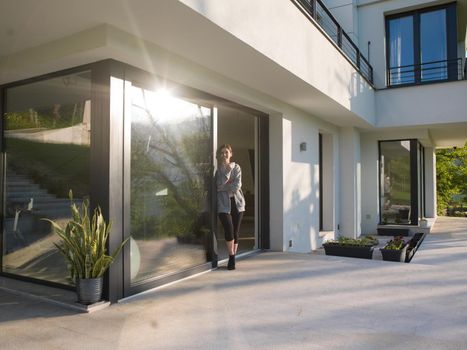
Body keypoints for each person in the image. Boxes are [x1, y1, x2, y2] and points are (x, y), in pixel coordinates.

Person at [216, 144, 245, 270]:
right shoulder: (218, 170)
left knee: (235, 231)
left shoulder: (237, 167)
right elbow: (219, 184)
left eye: (226, 152)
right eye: (221, 152)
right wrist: (228, 174)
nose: (224, 154)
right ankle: (231, 255)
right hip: (223, 204)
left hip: (237, 203)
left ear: (231, 153)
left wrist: (224, 187)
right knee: (228, 229)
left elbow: (236, 186)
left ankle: (232, 257)